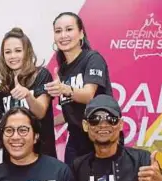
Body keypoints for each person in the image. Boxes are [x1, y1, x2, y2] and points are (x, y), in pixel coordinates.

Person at [45, 12, 113, 166]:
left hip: (99, 136)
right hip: (75, 140)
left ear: (81, 33)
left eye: (69, 29)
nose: (63, 35)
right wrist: (43, 122)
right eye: (58, 31)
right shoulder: (62, 70)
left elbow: (89, 96)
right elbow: (70, 111)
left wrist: (64, 88)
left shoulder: (93, 59)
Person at [0, 27, 57, 158]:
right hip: (12, 158)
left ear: (27, 52)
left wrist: (28, 95)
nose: (13, 56)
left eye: (18, 51)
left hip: (41, 156)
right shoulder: (4, 85)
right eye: (8, 52)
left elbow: (40, 112)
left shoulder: (42, 75)